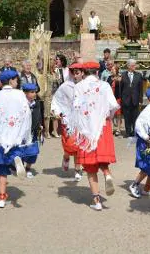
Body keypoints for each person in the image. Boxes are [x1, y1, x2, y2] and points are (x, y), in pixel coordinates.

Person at [65, 61, 120, 211]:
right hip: (102, 126)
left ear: (84, 72)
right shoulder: (105, 85)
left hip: (86, 128)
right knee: (101, 156)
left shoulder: (78, 87)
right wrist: (108, 116)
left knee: (90, 167)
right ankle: (107, 173)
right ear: (97, 72)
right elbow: (114, 105)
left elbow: (75, 108)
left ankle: (96, 201)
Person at [0, 70, 33, 208]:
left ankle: (1, 198)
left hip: (1, 136)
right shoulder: (20, 94)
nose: (17, 82)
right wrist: (26, 134)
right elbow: (26, 114)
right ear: (12, 80)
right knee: (14, 153)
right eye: (16, 79)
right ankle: (15, 159)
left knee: (1, 169)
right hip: (15, 135)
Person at [51, 62, 84, 181]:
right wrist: (57, 111)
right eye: (73, 73)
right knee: (69, 145)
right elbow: (57, 99)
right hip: (68, 120)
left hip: (81, 121)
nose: (75, 75)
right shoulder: (66, 86)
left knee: (79, 146)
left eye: (77, 73)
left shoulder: (86, 86)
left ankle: (77, 169)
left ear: (82, 73)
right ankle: (66, 156)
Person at [129, 86, 150, 199]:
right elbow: (138, 126)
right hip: (147, 143)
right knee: (148, 166)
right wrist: (147, 138)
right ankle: (134, 185)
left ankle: (146, 188)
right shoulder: (148, 110)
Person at [20, 83, 42, 178]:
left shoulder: (36, 103)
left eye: (35, 92)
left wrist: (40, 125)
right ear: (25, 93)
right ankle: (19, 166)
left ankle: (28, 168)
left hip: (33, 132)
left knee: (33, 152)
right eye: (32, 92)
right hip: (23, 132)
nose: (34, 94)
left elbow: (39, 115)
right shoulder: (21, 104)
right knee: (21, 150)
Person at [119, 59, 143, 137]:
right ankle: (128, 132)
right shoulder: (123, 75)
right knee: (127, 116)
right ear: (128, 66)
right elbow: (121, 88)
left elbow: (141, 89)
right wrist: (121, 99)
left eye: (135, 65)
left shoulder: (139, 75)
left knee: (135, 116)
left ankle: (134, 131)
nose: (135, 67)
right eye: (133, 65)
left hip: (135, 99)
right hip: (126, 99)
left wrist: (140, 100)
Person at [107, 65, 124, 136]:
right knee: (111, 114)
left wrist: (119, 80)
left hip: (117, 98)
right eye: (111, 69)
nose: (112, 70)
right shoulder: (109, 78)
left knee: (118, 114)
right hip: (110, 98)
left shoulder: (120, 77)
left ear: (117, 70)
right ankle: (113, 128)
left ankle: (119, 129)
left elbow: (122, 87)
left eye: (113, 69)